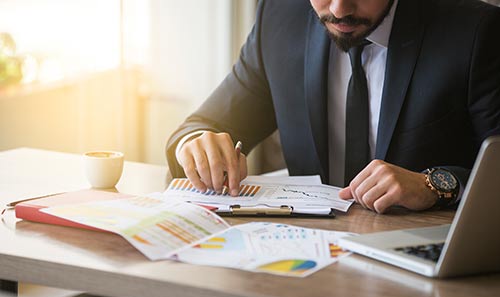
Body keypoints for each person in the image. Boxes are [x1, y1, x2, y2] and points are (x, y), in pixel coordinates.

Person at [166, 0, 500, 214]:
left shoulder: (475, 31)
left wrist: (433, 186)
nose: (339, 9)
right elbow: (202, 126)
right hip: (306, 251)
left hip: (421, 257)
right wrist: (195, 145)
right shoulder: (281, 18)